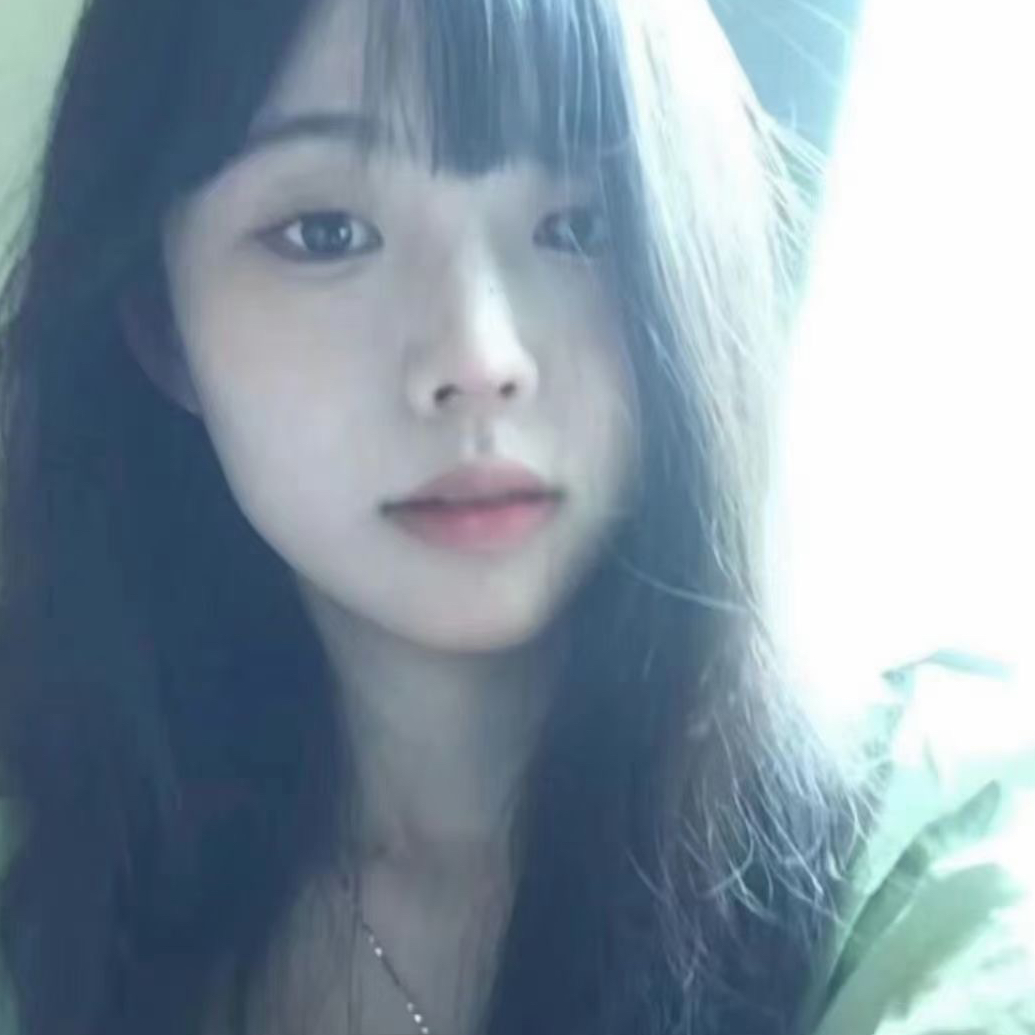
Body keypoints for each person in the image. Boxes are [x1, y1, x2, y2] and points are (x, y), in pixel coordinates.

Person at [0, 0, 1032, 1033]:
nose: (479, 358)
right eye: (327, 234)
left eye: (579, 226)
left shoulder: (927, 861)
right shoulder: (59, 885)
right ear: (159, 325)